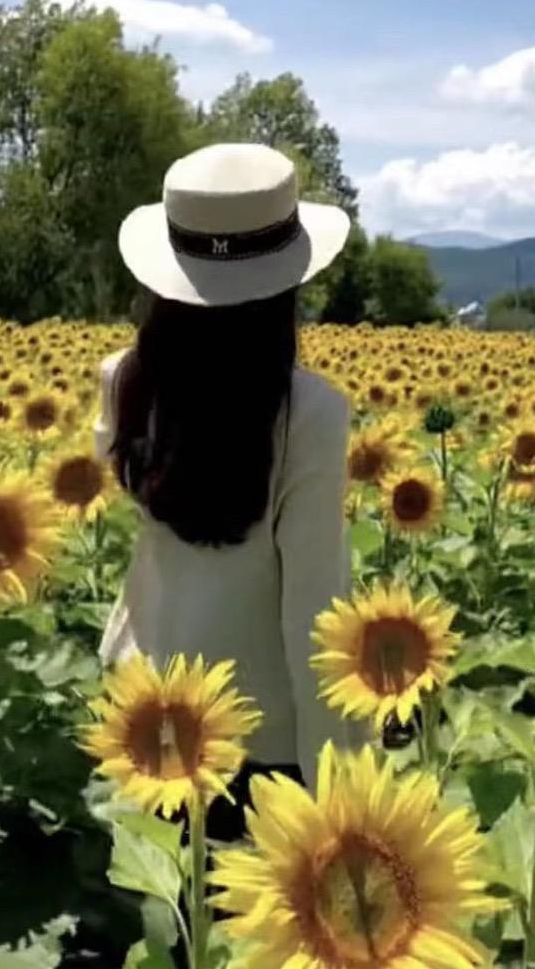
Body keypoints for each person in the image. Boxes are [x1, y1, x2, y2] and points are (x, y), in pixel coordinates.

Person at [93, 142, 354, 837]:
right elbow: (315, 613)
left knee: (161, 915)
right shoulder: (310, 415)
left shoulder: (125, 380)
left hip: (146, 708)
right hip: (258, 741)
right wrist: (341, 782)